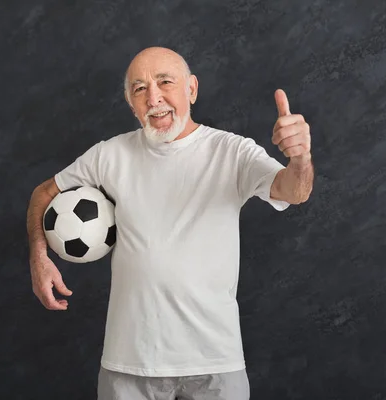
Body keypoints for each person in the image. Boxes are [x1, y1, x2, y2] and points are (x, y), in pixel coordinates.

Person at [26, 46, 314, 400]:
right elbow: (43, 193)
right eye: (139, 89)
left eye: (165, 82)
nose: (154, 98)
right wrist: (40, 259)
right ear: (131, 103)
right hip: (129, 364)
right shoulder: (109, 155)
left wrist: (300, 158)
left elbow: (294, 191)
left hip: (215, 361)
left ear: (191, 89)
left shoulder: (231, 152)